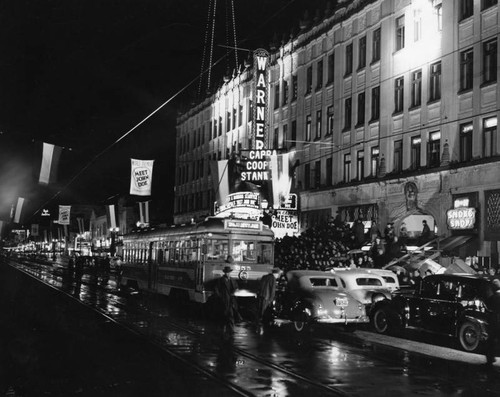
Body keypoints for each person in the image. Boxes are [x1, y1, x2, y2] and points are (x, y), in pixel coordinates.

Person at [214, 266, 240, 338]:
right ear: (225, 273)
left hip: (231, 300)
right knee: (224, 314)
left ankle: (231, 330)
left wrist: (235, 292)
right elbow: (216, 289)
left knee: (230, 315)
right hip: (224, 300)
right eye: (227, 272)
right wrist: (220, 297)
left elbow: (236, 287)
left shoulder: (232, 280)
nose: (228, 274)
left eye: (229, 272)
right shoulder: (221, 280)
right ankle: (223, 329)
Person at [486, 279, 500, 365]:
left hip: (495, 320)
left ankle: (490, 359)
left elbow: (489, 306)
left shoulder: (494, 297)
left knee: (491, 340)